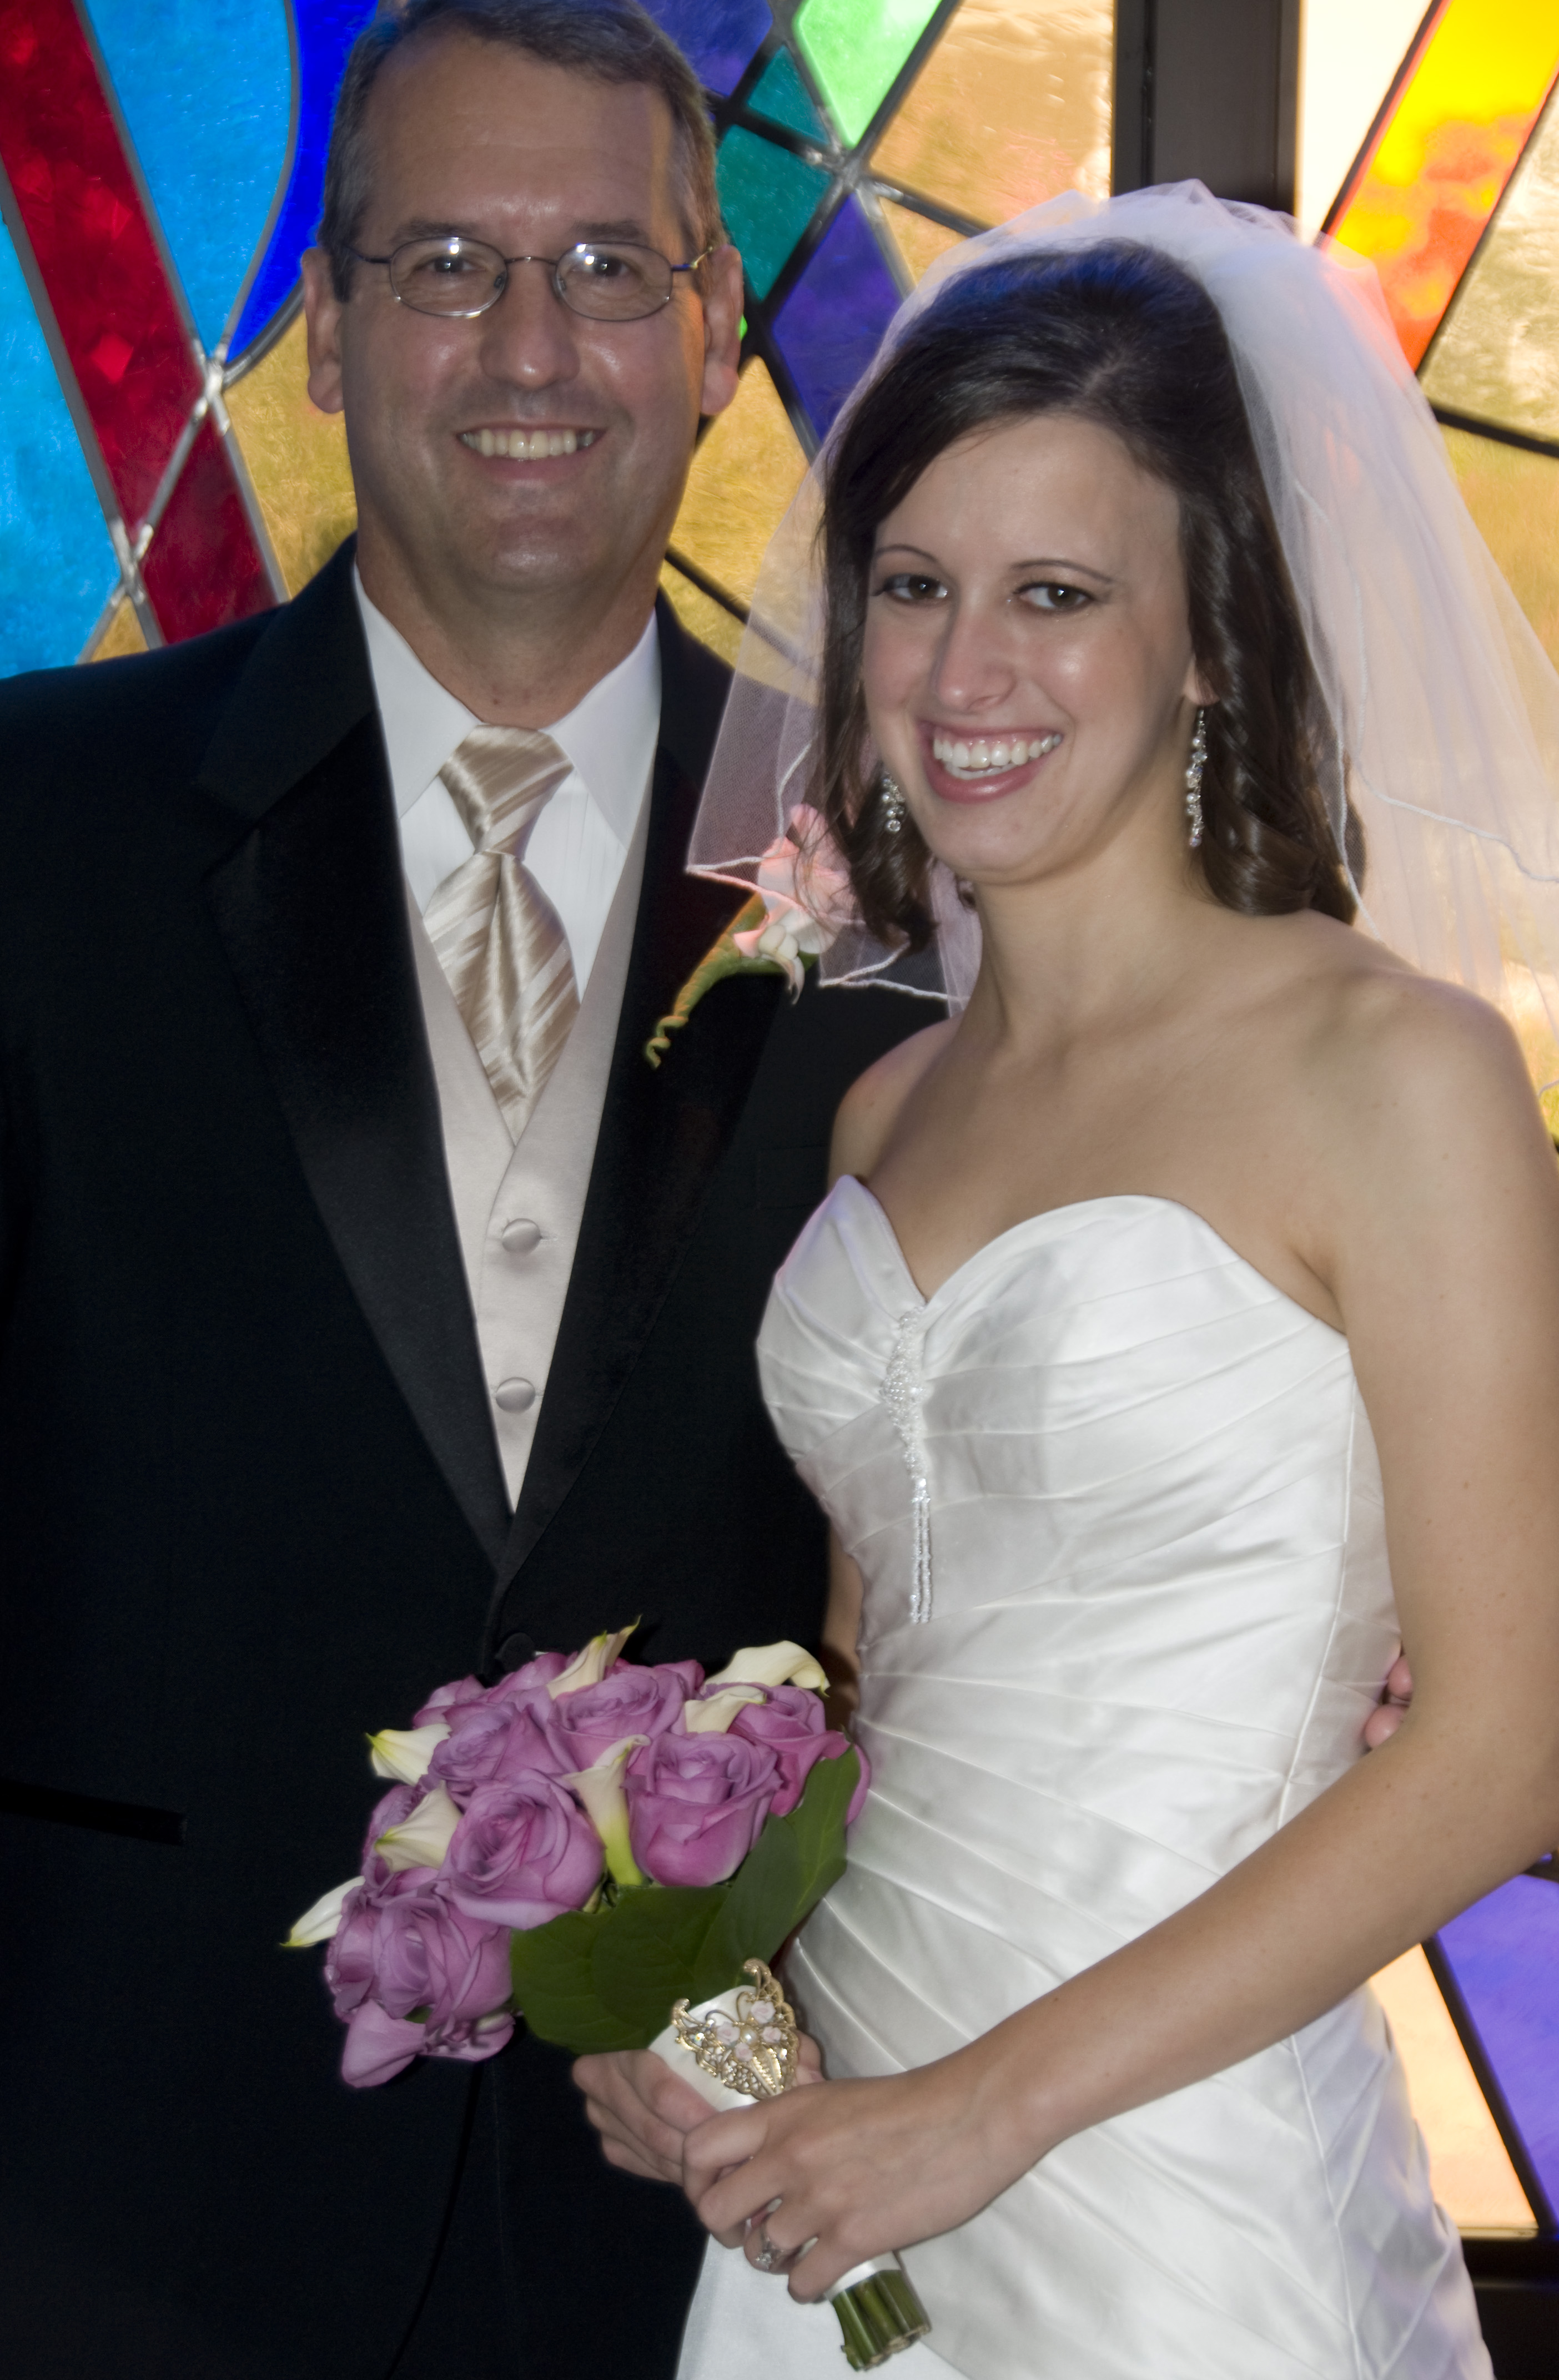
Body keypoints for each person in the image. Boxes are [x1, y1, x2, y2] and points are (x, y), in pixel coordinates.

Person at [0, 5, 937, 2375]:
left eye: (607, 266)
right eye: (443, 266)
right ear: (324, 331)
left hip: (691, 2215)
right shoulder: (20, 830)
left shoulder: (918, 904)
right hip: (93, 2178)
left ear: (715, 332)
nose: (531, 347)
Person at [574, 190, 1559, 2378]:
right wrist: (704, 1998)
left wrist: (977, 2115)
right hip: (840, 2157)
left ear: (1209, 639)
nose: (962, 677)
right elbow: (863, 1690)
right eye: (916, 586)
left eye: (1058, 595)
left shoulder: (1392, 1071)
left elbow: (1509, 1745)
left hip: (1169, 2171)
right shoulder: (882, 1112)